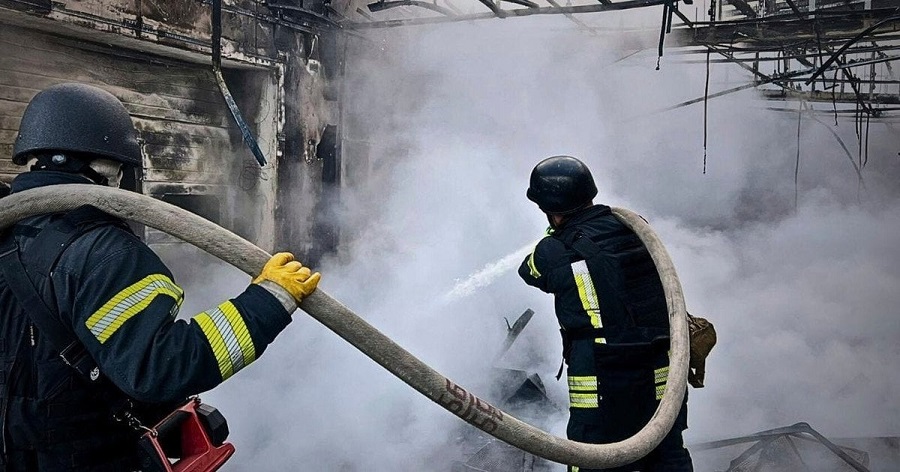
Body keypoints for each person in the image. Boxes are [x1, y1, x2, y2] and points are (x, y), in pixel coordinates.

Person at [0, 83, 320, 471]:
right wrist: (269, 301)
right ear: (106, 167)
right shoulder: (104, 253)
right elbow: (160, 367)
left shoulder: (10, 230)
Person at [518, 156, 692, 472]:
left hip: (601, 378)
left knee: (592, 458)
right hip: (661, 367)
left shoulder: (552, 250)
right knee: (665, 453)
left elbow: (529, 272)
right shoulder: (633, 226)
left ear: (550, 209)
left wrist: (552, 240)